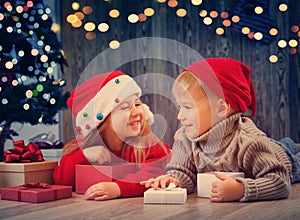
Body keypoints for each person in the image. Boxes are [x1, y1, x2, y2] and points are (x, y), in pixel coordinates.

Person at [141, 58, 300, 202]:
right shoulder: (184, 138)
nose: (179, 116)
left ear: (221, 108)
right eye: (179, 106)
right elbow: (183, 172)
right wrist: (173, 180)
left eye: (187, 107)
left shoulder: (249, 142)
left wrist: (241, 189)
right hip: (269, 147)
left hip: (284, 158)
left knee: (291, 150)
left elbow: (280, 181)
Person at [53, 70, 171, 201]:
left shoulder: (147, 144)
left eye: (137, 104)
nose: (136, 111)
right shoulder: (83, 147)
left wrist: (118, 188)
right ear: (102, 119)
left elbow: (152, 176)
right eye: (125, 107)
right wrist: (84, 154)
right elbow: (61, 181)